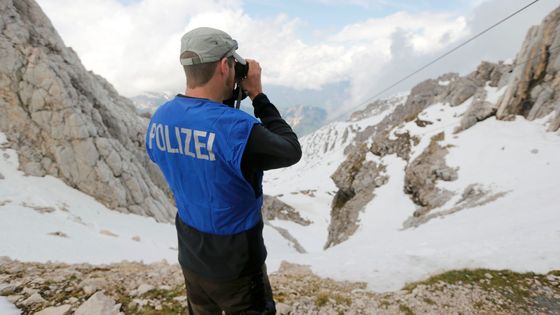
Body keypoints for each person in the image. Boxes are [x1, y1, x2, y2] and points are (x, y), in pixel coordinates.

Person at [145, 27, 302, 314]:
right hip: (237, 261)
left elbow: (185, 154)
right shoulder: (237, 128)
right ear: (223, 66)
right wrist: (258, 96)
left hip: (191, 254)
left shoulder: (161, 117)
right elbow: (290, 150)